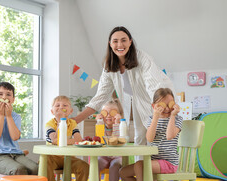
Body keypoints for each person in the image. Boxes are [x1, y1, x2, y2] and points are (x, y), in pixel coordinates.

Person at [74, 26, 175, 161]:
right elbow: (101, 96)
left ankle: (154, 175)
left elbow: (155, 87)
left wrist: (162, 108)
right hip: (136, 99)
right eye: (115, 41)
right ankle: (141, 173)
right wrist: (75, 120)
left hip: (160, 99)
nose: (119, 45)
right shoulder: (109, 65)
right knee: (139, 136)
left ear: (130, 42)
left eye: (123, 40)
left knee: (156, 138)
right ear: (110, 44)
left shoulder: (143, 59)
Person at [119, 88, 182, 181]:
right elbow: (149, 138)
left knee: (139, 165)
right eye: (161, 105)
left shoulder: (177, 119)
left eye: (170, 104)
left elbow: (170, 135)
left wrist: (173, 115)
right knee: (123, 172)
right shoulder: (152, 118)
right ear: (154, 106)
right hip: (153, 161)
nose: (166, 108)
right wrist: (155, 117)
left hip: (169, 163)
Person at [45, 95, 89, 181]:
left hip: (69, 158)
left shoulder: (72, 123)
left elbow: (79, 140)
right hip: (53, 157)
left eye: (65, 106)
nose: (61, 108)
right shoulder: (49, 124)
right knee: (44, 164)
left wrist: (64, 141)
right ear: (52, 111)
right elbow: (54, 140)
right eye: (57, 106)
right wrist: (60, 123)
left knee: (84, 166)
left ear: (70, 111)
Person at [96, 99, 123, 181]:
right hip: (103, 156)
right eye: (105, 112)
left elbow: (116, 141)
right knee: (95, 164)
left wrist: (117, 124)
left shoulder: (122, 125)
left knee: (115, 166)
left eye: (112, 113)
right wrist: (99, 123)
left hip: (117, 155)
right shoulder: (100, 126)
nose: (108, 116)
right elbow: (99, 140)